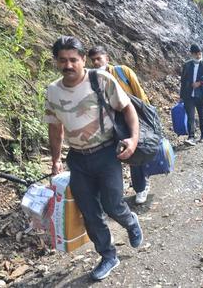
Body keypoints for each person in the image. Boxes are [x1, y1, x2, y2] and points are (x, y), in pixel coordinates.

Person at [44, 36, 143, 281]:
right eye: (63, 60)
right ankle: (108, 255)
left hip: (107, 153)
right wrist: (56, 160)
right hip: (77, 159)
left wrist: (133, 139)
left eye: (73, 60)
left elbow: (128, 108)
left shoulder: (101, 80)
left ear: (83, 60)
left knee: (112, 203)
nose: (68, 65)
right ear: (56, 61)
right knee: (90, 212)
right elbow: (55, 129)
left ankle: (130, 221)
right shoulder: (53, 91)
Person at [87, 46, 151, 204]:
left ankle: (141, 187)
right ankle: (113, 195)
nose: (96, 62)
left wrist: (148, 118)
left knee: (133, 154)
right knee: (110, 158)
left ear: (107, 59)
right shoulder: (91, 79)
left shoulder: (123, 72)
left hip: (130, 120)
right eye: (93, 60)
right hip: (107, 125)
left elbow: (140, 94)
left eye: (98, 59)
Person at [180, 44, 203, 146]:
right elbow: (183, 81)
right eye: (196, 54)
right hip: (188, 95)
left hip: (201, 94)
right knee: (190, 116)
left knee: (201, 115)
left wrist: (200, 83)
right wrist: (181, 96)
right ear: (192, 54)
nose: (199, 56)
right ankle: (191, 137)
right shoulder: (186, 65)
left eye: (200, 53)